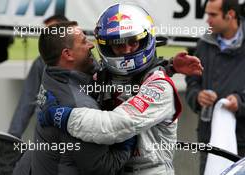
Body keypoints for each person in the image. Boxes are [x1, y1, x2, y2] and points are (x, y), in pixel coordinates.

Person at [38, 4, 203, 175]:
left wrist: (60, 115)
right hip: (114, 168)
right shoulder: (103, 75)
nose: (127, 50)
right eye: (118, 44)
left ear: (146, 39)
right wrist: (169, 66)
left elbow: (115, 126)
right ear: (107, 46)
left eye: (133, 42)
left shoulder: (160, 86)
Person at [13, 21, 137, 175]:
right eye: (84, 41)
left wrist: (167, 66)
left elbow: (96, 72)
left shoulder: (51, 71)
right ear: (68, 54)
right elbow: (103, 167)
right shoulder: (81, 106)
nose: (91, 45)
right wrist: (128, 137)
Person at [185, 0, 245, 174]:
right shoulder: (204, 43)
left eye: (213, 15)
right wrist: (197, 96)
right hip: (210, 140)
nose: (207, 20)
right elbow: (192, 82)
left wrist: (240, 102)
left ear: (230, 15)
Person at [8, 15, 69, 138]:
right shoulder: (40, 63)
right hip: (48, 133)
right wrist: (12, 137)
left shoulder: (83, 58)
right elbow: (27, 99)